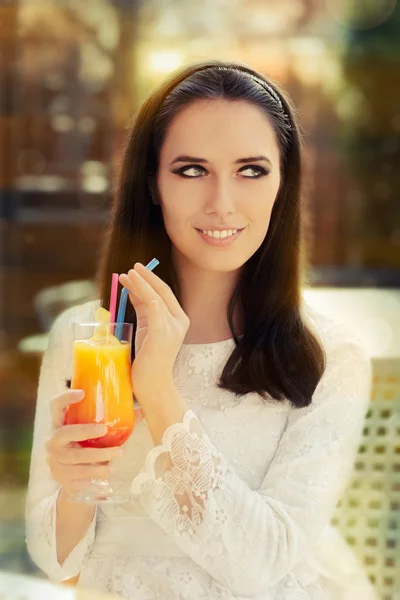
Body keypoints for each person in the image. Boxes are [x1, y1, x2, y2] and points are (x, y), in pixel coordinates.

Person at [25, 60, 378, 600]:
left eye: (251, 170)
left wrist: (159, 391)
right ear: (152, 182)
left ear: (283, 182)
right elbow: (56, 562)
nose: (222, 203)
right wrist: (75, 485)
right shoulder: (85, 338)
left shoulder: (329, 355)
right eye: (191, 170)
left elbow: (262, 563)